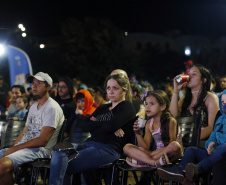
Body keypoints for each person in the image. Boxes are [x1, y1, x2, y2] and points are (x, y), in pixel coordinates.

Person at [49, 73, 136, 185]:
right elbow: (86, 126)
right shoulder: (103, 107)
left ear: (124, 90)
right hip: (88, 144)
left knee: (61, 164)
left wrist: (98, 122)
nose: (111, 91)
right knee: (58, 150)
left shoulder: (126, 106)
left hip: (108, 149)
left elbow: (109, 127)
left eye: (115, 88)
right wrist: (108, 124)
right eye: (108, 88)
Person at [0, 72, 64, 185]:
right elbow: (24, 131)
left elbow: (42, 140)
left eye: (39, 83)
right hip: (25, 147)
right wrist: (13, 147)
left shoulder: (52, 107)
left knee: (2, 166)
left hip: (40, 150)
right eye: (33, 83)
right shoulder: (34, 106)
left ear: (49, 87)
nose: (34, 86)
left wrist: (14, 149)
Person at [157, 89, 226, 184]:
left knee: (224, 147)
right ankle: (182, 173)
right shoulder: (220, 119)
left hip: (223, 155)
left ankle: (198, 169)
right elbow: (213, 135)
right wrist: (210, 143)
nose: (224, 104)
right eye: (222, 102)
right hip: (213, 154)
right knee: (191, 150)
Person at [123, 90, 182, 167]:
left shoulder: (170, 120)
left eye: (152, 104)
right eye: (146, 103)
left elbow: (170, 145)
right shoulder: (149, 123)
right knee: (126, 147)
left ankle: (144, 161)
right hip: (157, 156)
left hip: (170, 154)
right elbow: (145, 147)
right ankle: (152, 162)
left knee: (175, 145)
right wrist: (137, 133)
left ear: (162, 107)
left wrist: (151, 154)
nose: (147, 107)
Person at [170, 64, 219, 148]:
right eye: (189, 74)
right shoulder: (184, 99)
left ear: (203, 80)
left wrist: (190, 140)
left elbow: (212, 127)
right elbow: (173, 116)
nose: (189, 76)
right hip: (184, 142)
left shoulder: (210, 98)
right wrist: (176, 90)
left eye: (194, 74)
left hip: (203, 142)